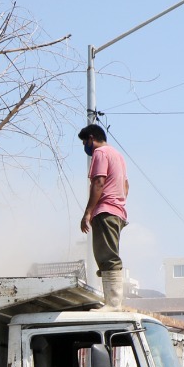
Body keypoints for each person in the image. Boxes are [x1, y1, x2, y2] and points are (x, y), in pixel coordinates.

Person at [78, 123, 129, 309]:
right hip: (117, 212)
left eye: (85, 142)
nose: (86, 147)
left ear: (91, 138)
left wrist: (88, 212)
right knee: (108, 255)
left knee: (107, 257)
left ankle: (113, 304)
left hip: (106, 211)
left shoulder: (100, 153)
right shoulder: (118, 155)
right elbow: (126, 186)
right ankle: (112, 302)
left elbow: (98, 183)